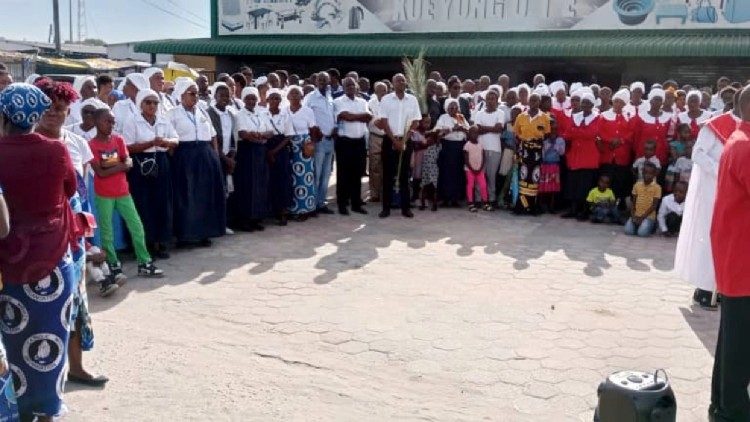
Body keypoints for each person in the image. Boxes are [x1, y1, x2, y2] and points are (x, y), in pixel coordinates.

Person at [0, 83, 78, 420]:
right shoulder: (57, 150)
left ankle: (18, 409)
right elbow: (71, 187)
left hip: (8, 263)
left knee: (14, 342)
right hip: (53, 263)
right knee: (51, 340)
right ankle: (47, 410)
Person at [33, 78, 112, 389]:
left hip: (75, 237)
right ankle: (40, 375)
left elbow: (84, 196)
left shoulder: (77, 143)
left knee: (77, 301)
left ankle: (77, 367)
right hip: (42, 237)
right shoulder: (28, 142)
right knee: (44, 305)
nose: (54, 114)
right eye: (48, 109)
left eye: (61, 109)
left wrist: (88, 238)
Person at [675, 91, 741, 310]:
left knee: (730, 241)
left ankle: (721, 288)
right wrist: (720, 170)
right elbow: (698, 153)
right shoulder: (714, 125)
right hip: (711, 191)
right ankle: (704, 288)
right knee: (708, 238)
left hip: (735, 195)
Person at [708, 85, 750, 422]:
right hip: (743, 258)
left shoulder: (739, 140)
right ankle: (732, 411)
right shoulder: (746, 147)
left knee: (733, 339)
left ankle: (722, 405)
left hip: (738, 254)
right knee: (740, 345)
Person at [89, 108, 164, 279]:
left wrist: (112, 165)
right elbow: (101, 172)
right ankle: (114, 265)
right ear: (96, 122)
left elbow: (128, 161)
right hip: (104, 194)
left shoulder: (118, 140)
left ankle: (144, 262)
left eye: (113, 121)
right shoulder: (92, 145)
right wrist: (120, 166)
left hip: (123, 191)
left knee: (137, 226)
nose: (111, 125)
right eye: (107, 121)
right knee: (107, 233)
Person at [168, 79, 226, 247]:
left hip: (205, 156)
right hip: (185, 157)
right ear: (181, 95)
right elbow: (170, 137)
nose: (196, 97)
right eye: (191, 93)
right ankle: (185, 235)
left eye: (197, 94)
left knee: (205, 196)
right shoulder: (173, 113)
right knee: (186, 196)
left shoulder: (202, 111)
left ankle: (205, 233)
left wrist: (214, 155)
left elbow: (213, 134)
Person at [121, 88, 179, 259]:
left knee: (162, 203)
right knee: (143, 204)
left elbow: (176, 139)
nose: (152, 105)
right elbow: (128, 146)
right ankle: (143, 244)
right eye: (148, 102)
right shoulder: (132, 120)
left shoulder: (163, 120)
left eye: (155, 102)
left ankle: (161, 242)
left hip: (161, 162)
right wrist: (150, 143)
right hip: (141, 164)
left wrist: (167, 142)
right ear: (141, 104)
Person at [376, 73, 422, 218]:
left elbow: (416, 122)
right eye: (398, 81)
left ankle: (405, 208)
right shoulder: (386, 99)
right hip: (390, 140)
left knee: (404, 176)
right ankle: (386, 208)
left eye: (403, 80)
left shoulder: (412, 100)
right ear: (393, 83)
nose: (401, 82)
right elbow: (383, 122)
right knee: (388, 175)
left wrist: (404, 140)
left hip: (405, 140)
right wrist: (394, 141)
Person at [232, 87, 272, 232]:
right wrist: (258, 136)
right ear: (243, 99)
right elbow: (243, 134)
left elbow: (270, 131)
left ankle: (256, 218)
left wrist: (259, 135)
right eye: (248, 98)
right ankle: (244, 220)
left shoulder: (261, 113)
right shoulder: (239, 115)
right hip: (246, 153)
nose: (251, 101)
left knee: (260, 185)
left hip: (260, 153)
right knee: (247, 186)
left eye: (253, 98)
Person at [333, 77, 371, 215]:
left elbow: (368, 117)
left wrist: (352, 116)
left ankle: (356, 204)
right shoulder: (338, 101)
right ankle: (342, 204)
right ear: (343, 87)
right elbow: (344, 116)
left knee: (357, 174)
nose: (350, 87)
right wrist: (357, 117)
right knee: (343, 174)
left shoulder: (362, 101)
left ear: (356, 87)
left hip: (359, 142)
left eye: (352, 85)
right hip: (345, 142)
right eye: (347, 85)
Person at [562, 93, 600, 220]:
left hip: (588, 156)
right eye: (583, 102)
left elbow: (592, 133)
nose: (584, 105)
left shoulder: (597, 118)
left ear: (592, 105)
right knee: (573, 183)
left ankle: (584, 211)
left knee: (585, 185)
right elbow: (567, 134)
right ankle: (573, 209)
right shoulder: (575, 116)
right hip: (575, 155)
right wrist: (581, 132)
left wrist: (577, 132)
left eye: (587, 103)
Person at [303, 72, 336, 214]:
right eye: (320, 79)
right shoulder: (310, 98)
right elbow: (305, 115)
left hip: (330, 140)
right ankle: (312, 205)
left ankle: (321, 203)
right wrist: (314, 132)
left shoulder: (329, 96)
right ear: (316, 81)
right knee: (316, 174)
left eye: (325, 80)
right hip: (319, 141)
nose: (322, 82)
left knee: (326, 174)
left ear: (329, 81)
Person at [513, 92, 551, 215]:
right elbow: (517, 134)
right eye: (531, 100)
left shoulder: (545, 117)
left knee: (534, 177)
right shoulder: (521, 116)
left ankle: (532, 207)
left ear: (539, 102)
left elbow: (547, 134)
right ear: (528, 101)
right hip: (524, 151)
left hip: (537, 152)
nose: (533, 103)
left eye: (536, 100)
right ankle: (522, 206)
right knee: (523, 176)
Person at [285, 86, 319, 221]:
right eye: (291, 93)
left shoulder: (307, 111)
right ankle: (292, 209)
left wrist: (311, 145)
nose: (294, 95)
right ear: (287, 97)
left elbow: (313, 129)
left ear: (301, 96)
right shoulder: (284, 110)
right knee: (291, 179)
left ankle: (305, 210)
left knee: (305, 179)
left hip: (304, 145)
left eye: (297, 93)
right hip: (288, 145)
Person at [206, 82, 238, 223]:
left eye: (227, 95)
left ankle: (226, 221)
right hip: (216, 157)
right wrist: (225, 159)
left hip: (228, 157)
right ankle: (217, 222)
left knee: (228, 190)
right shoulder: (209, 113)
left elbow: (232, 137)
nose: (224, 98)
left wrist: (231, 156)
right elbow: (212, 140)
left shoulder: (231, 113)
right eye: (221, 95)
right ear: (215, 96)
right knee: (217, 190)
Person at [598, 88, 633, 212]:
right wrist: (610, 140)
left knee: (619, 181)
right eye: (616, 101)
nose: (618, 104)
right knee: (606, 180)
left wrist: (620, 141)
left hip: (621, 156)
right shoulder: (604, 116)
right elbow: (600, 132)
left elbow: (630, 133)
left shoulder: (628, 117)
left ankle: (616, 209)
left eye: (621, 102)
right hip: (607, 154)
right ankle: (602, 208)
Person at [264, 89, 294, 225]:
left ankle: (283, 212)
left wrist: (273, 152)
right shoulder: (262, 114)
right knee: (269, 180)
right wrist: (268, 152)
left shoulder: (285, 115)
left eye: (277, 98)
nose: (275, 101)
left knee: (283, 180)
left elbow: (288, 136)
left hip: (280, 150)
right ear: (267, 100)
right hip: (265, 148)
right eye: (272, 98)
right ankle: (270, 210)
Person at [473, 89, 505, 208]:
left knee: (491, 176)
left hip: (494, 149)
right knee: (479, 175)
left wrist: (484, 129)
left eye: (493, 99)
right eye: (489, 98)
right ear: (485, 100)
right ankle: (478, 198)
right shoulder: (479, 113)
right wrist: (491, 128)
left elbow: (499, 129)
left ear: (497, 100)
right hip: (480, 148)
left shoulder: (500, 113)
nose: (490, 101)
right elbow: (477, 130)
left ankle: (491, 199)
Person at [436, 98, 470, 208]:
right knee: (446, 173)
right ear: (447, 107)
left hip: (460, 147)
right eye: (451, 106)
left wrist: (463, 129)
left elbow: (469, 131)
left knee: (458, 174)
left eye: (456, 106)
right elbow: (438, 134)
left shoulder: (461, 117)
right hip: (448, 147)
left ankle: (455, 199)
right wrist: (452, 129)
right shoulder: (443, 117)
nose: (454, 108)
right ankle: (445, 199)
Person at [632, 88, 672, 165]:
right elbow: (636, 138)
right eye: (655, 99)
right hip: (643, 155)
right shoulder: (641, 117)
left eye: (660, 100)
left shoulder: (668, 118)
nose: (657, 102)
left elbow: (668, 137)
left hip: (661, 155)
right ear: (650, 100)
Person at [624, 162, 661, 237]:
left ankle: (651, 226)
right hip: (636, 215)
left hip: (648, 216)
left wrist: (642, 218)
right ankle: (639, 226)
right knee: (628, 231)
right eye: (645, 172)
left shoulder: (657, 188)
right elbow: (633, 203)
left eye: (650, 173)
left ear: (654, 175)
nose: (647, 175)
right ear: (642, 173)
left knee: (642, 234)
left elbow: (654, 206)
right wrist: (633, 216)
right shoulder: (637, 185)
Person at [367, 81, 388, 202]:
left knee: (386, 166)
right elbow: (371, 119)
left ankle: (385, 192)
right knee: (374, 165)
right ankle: (374, 194)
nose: (383, 92)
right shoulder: (370, 103)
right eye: (380, 90)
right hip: (375, 136)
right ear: (375, 92)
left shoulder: (391, 103)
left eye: (385, 90)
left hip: (387, 137)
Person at [538, 119, 565, 213]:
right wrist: (549, 143)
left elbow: (562, 153)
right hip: (545, 165)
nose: (553, 131)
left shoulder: (560, 140)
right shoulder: (544, 140)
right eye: (551, 129)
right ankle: (541, 205)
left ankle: (552, 206)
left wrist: (556, 145)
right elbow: (542, 153)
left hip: (554, 166)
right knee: (543, 186)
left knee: (553, 187)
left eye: (555, 129)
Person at [415, 116, 440, 211]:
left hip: (432, 169)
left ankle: (433, 204)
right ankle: (423, 203)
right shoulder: (425, 146)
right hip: (427, 169)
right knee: (425, 186)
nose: (431, 140)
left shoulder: (437, 146)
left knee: (432, 187)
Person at [463, 126, 489, 212]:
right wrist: (472, 168)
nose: (475, 134)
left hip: (479, 170)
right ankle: (471, 203)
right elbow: (466, 159)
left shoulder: (480, 145)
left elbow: (484, 157)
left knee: (483, 185)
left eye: (476, 133)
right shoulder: (467, 145)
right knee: (470, 186)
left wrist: (480, 168)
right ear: (469, 134)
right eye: (473, 133)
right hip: (470, 170)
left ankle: (485, 203)